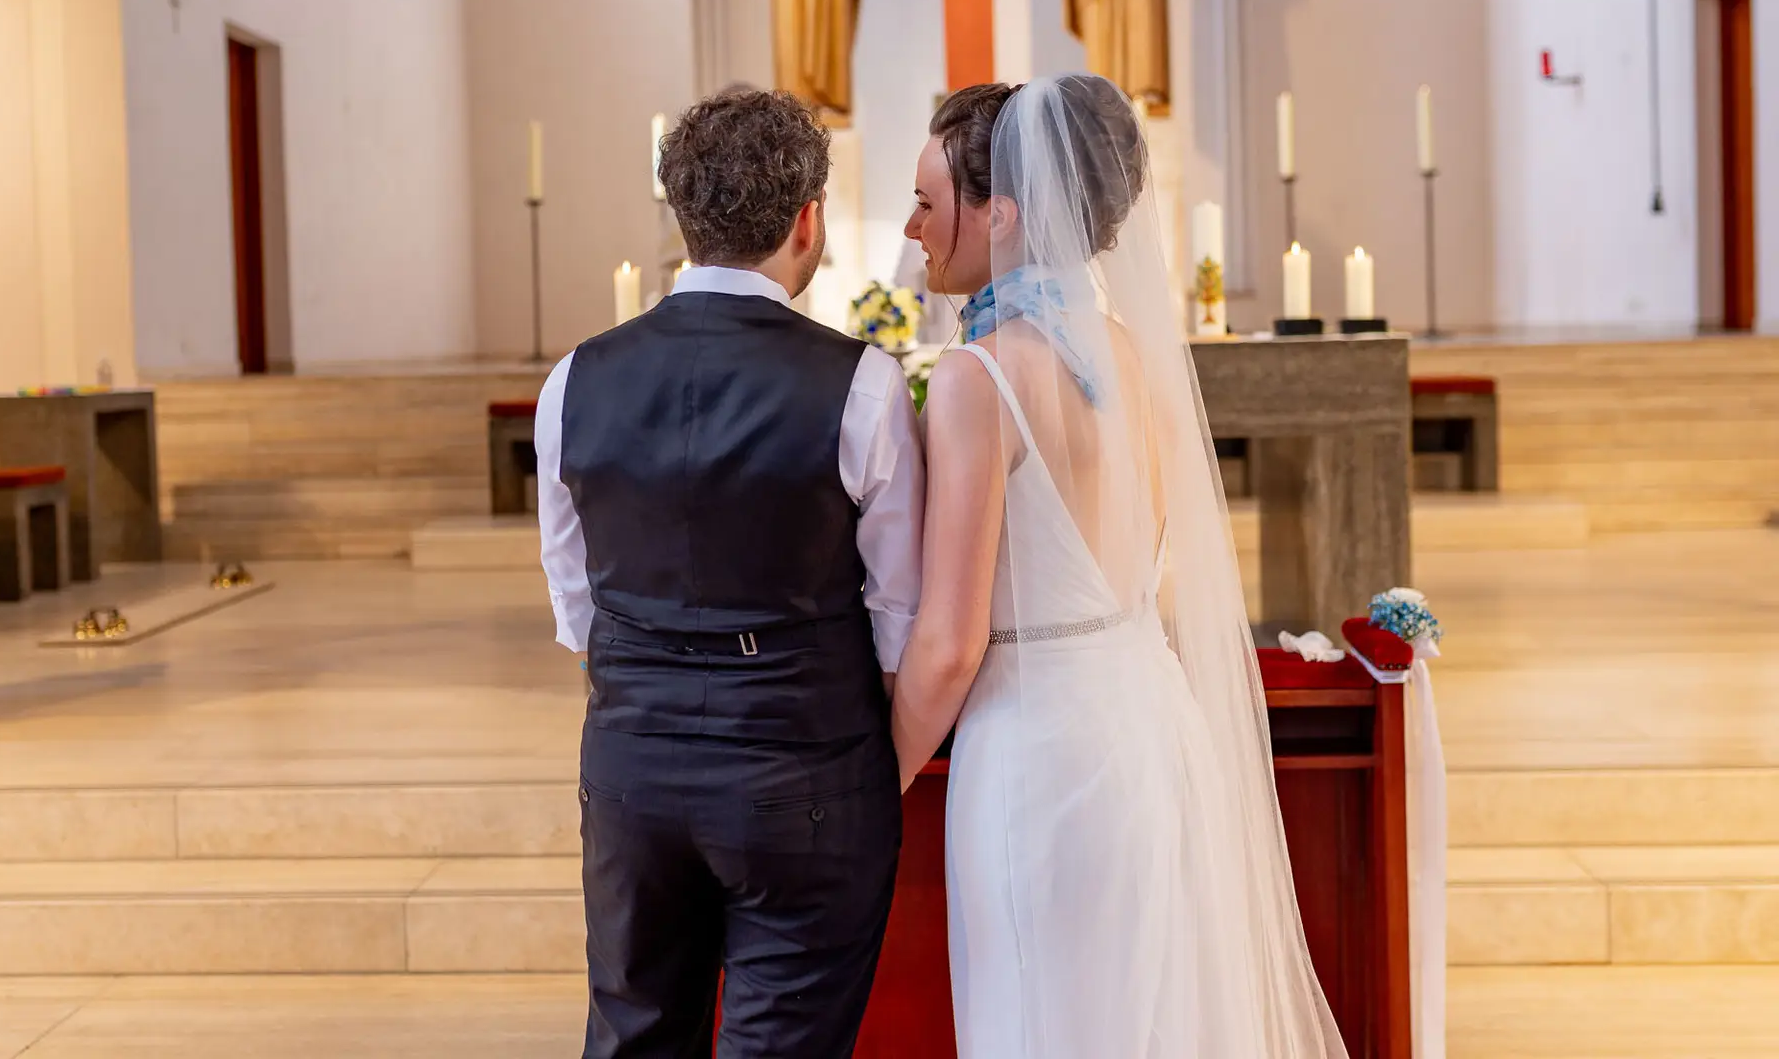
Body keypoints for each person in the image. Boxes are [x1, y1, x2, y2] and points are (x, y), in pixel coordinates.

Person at [890, 75, 1350, 1057]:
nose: (912, 225)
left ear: (1002, 210)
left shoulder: (979, 380)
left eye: (930, 201)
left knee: (1038, 1023)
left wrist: (865, 781)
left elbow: (948, 643)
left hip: (1038, 758)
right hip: (1154, 733)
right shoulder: (1137, 355)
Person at [536, 88, 924, 1058]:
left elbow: (578, 603)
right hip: (804, 766)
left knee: (634, 1036)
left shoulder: (574, 378)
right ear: (808, 219)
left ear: (681, 216)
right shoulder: (863, 383)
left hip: (633, 769)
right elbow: (899, 618)